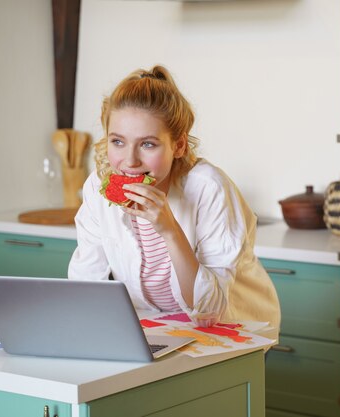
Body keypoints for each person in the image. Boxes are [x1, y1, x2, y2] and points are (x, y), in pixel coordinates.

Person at [68, 65, 280, 330]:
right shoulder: (98, 189)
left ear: (178, 145)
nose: (130, 161)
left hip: (234, 328)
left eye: (148, 144)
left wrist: (169, 230)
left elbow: (211, 308)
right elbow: (87, 280)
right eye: (118, 142)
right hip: (156, 327)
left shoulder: (209, 188)